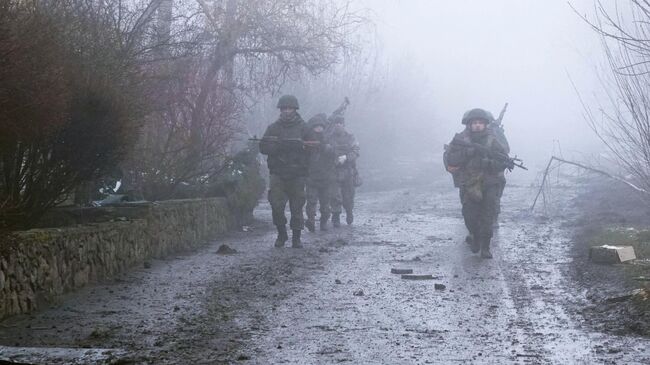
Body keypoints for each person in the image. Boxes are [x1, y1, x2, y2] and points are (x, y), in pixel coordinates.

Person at [444, 108, 509, 259]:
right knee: (469, 215)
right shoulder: (461, 140)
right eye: (475, 123)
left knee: (488, 215)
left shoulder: (493, 140)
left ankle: (485, 247)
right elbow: (451, 159)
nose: (478, 126)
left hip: (490, 182)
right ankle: (475, 236)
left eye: (481, 123)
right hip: (470, 183)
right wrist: (467, 154)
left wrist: (489, 163)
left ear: (486, 124)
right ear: (469, 124)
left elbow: (503, 160)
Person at [258, 95, 309, 248]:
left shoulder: (304, 128)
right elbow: (262, 147)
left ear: (295, 110)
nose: (287, 112)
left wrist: (300, 148)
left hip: (297, 173)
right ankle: (281, 233)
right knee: (276, 204)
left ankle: (297, 237)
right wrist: (277, 147)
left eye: (290, 108)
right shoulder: (273, 128)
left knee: (297, 206)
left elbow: (314, 148)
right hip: (278, 173)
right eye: (284, 109)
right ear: (280, 110)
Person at [304, 114, 336, 232]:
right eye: (316, 127)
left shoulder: (327, 139)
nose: (318, 129)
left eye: (320, 127)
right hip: (312, 176)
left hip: (326, 177)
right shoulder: (307, 141)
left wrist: (325, 148)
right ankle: (311, 221)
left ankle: (323, 222)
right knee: (311, 202)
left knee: (325, 204)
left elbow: (334, 153)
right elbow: (303, 158)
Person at [328, 116, 360, 227]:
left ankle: (349, 212)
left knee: (348, 195)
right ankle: (336, 216)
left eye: (340, 123)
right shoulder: (329, 138)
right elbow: (324, 151)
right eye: (336, 123)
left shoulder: (351, 137)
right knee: (334, 194)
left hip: (348, 170)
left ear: (344, 125)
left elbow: (356, 151)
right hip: (333, 170)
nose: (338, 125)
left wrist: (346, 157)